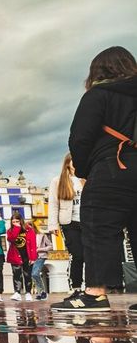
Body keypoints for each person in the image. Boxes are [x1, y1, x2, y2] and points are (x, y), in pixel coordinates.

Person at [53, 46, 137, 313]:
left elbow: (80, 137)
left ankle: (96, 294)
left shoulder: (98, 95)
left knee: (99, 228)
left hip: (112, 167)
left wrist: (84, 171)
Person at [48, 152, 85, 295]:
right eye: (73, 161)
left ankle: (90, 286)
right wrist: (53, 225)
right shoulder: (58, 181)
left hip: (87, 222)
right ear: (67, 163)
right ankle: (76, 286)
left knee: (89, 256)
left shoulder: (85, 178)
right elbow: (53, 204)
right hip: (69, 223)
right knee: (78, 255)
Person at [6, 212, 37, 301]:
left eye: (17, 221)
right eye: (13, 221)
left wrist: (33, 257)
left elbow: (33, 244)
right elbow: (11, 239)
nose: (15, 223)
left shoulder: (28, 230)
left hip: (27, 255)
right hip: (15, 255)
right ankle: (17, 293)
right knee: (16, 275)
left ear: (21, 221)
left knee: (27, 275)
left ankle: (28, 293)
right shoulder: (10, 231)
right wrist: (17, 228)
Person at [33, 221, 53, 300]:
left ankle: (43, 292)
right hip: (31, 258)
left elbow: (50, 246)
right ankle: (40, 293)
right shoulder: (27, 237)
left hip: (41, 256)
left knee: (35, 273)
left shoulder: (42, 235)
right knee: (33, 275)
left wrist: (39, 249)